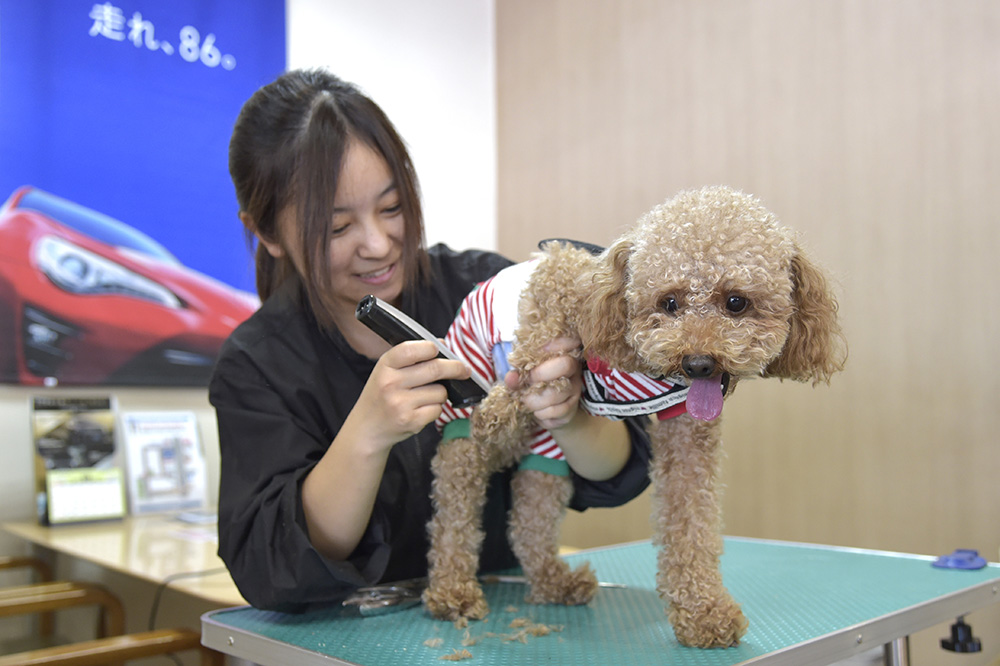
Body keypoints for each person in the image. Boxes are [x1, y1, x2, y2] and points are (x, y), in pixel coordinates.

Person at [209, 68, 653, 612]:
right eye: (336, 228)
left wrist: (569, 417)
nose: (378, 243)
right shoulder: (258, 364)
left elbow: (622, 466)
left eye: (392, 208)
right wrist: (367, 433)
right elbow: (271, 567)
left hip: (504, 626)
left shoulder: (484, 292)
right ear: (269, 233)